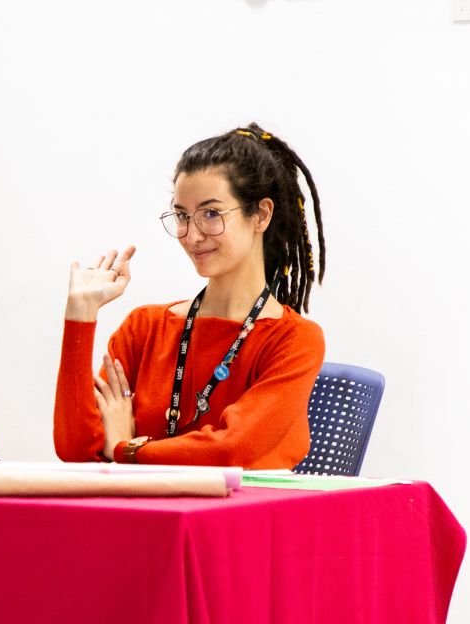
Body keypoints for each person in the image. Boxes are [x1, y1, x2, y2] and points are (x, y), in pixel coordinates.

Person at [54, 123, 326, 469]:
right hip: (147, 516)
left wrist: (127, 450)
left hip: (238, 520)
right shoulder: (145, 327)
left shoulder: (294, 340)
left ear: (260, 214)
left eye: (211, 214)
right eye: (182, 216)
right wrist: (80, 315)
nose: (192, 235)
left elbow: (230, 451)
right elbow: (74, 449)